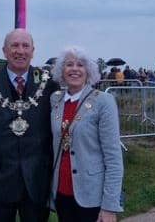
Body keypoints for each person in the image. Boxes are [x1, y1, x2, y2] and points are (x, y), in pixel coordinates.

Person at [0, 28, 58, 222]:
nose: (20, 51)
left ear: (33, 51)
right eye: (14, 45)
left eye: (25, 46)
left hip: (37, 180)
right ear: (4, 50)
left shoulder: (49, 83)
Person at [50, 47, 123, 222]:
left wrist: (109, 205)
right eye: (69, 64)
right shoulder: (55, 99)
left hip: (92, 195)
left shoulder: (103, 101)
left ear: (88, 71)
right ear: (62, 71)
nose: (74, 69)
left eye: (80, 65)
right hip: (61, 192)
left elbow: (113, 157)